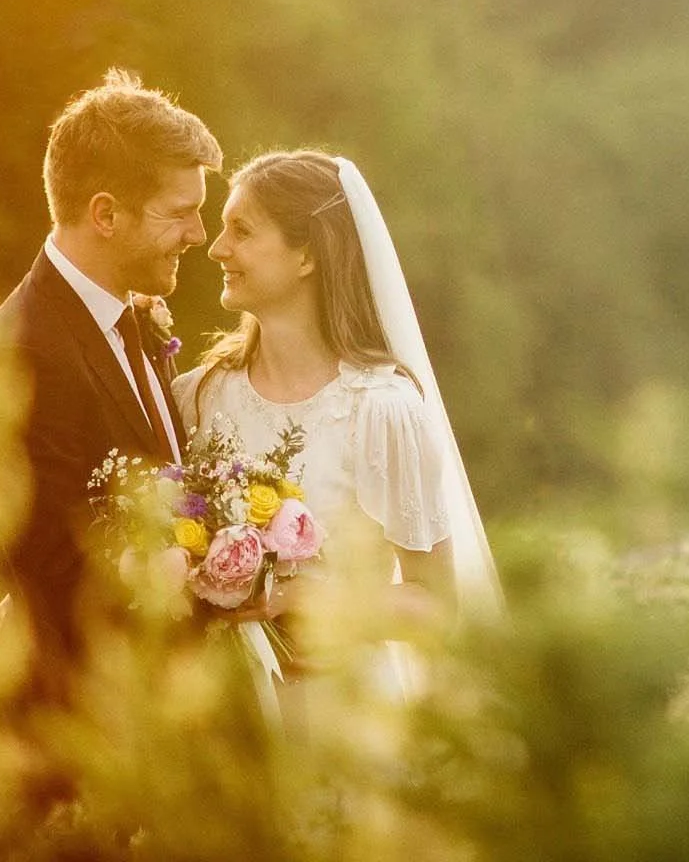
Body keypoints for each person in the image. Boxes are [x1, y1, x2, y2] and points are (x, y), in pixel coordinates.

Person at [171, 151, 500, 671]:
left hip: (337, 722)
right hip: (217, 716)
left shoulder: (381, 411)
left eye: (242, 230)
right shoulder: (198, 395)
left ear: (307, 256)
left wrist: (306, 602)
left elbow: (435, 605)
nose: (217, 249)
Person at [0, 69, 221, 710]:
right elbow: (54, 575)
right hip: (91, 725)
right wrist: (232, 591)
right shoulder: (23, 350)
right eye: (180, 214)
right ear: (106, 214)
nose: (198, 235)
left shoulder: (130, 310)